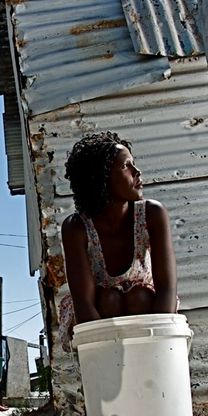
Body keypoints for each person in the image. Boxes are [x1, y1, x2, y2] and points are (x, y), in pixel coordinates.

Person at [59, 132, 178, 350]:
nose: (137, 172)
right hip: (100, 319)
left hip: (146, 316)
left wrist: (162, 345)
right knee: (109, 300)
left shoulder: (152, 214)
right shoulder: (76, 227)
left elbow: (167, 288)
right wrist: (100, 357)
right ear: (101, 178)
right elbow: (84, 302)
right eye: (126, 166)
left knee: (139, 296)